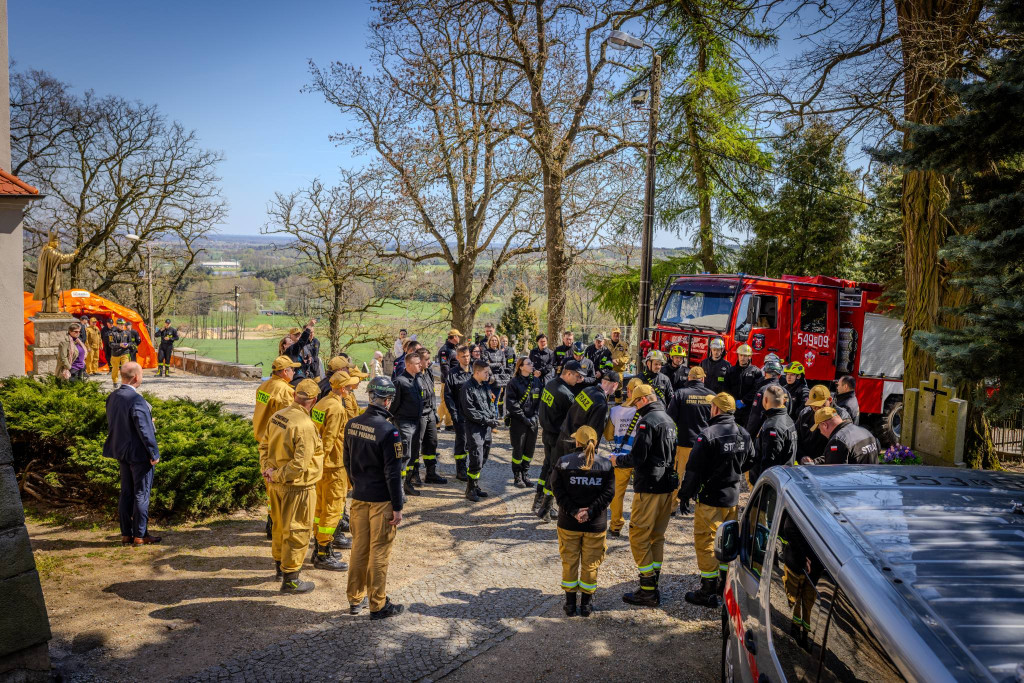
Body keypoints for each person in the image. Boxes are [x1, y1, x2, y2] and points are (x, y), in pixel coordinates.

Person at [678, 392, 754, 608]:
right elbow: (751, 460)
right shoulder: (743, 433)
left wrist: (685, 495)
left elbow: (693, 470)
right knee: (726, 542)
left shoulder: (708, 435)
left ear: (716, 410)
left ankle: (708, 589)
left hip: (710, 498)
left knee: (706, 542)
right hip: (732, 498)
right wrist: (734, 471)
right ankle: (723, 583)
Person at [609, 384, 678, 607]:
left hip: (648, 486)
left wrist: (617, 461)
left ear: (645, 399)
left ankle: (647, 589)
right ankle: (653, 583)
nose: (636, 408)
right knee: (656, 536)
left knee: (638, 535)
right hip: (667, 485)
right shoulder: (667, 420)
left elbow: (638, 457)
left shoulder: (647, 422)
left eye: (637, 403)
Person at [343, 376, 405, 620]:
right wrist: (397, 507)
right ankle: (378, 605)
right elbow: (393, 473)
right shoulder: (389, 431)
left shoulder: (352, 424)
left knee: (359, 549)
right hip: (381, 500)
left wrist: (357, 484)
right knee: (379, 552)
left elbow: (347, 461)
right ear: (388, 401)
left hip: (359, 496)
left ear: (370, 396)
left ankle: (354, 599)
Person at [262, 378, 325, 594]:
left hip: (276, 484)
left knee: (279, 527)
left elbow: (264, 445)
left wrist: (268, 471)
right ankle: (291, 579)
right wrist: (278, 475)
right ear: (314, 400)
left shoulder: (278, 416)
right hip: (297, 487)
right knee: (298, 530)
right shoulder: (305, 425)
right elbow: (299, 465)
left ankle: (280, 568)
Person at [551, 425, 615, 617]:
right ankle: (586, 605)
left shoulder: (563, 462)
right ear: (595, 443)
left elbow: (558, 491)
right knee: (590, 564)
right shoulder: (605, 464)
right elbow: (609, 493)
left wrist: (574, 511)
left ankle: (570, 605)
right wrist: (591, 512)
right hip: (595, 525)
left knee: (569, 561)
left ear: (577, 442)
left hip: (568, 523)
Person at [540, 370, 620, 521]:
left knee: (554, 472)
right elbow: (593, 433)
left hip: (564, 435)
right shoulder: (601, 403)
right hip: (577, 444)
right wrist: (592, 455)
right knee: (570, 478)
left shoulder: (587, 390)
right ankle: (567, 510)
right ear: (615, 385)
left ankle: (545, 507)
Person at [103, 362, 162, 546]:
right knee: (141, 494)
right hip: (138, 453)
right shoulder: (136, 400)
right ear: (136, 377)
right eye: (142, 374)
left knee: (126, 493)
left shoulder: (113, 397)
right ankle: (140, 534)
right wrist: (153, 452)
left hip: (121, 451)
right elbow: (144, 430)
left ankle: (126, 534)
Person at [310, 371, 360, 571]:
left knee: (319, 509)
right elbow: (329, 440)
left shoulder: (321, 404)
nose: (350, 390)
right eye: (348, 387)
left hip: (321, 466)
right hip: (333, 465)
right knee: (333, 508)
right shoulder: (337, 408)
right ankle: (323, 553)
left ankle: (319, 547)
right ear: (342, 389)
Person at [253, 355, 301, 539]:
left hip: (264, 442)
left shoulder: (263, 386)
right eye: (291, 369)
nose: (294, 372)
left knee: (269, 487)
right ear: (283, 372)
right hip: (278, 444)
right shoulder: (285, 391)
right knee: (280, 486)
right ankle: (279, 526)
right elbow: (291, 419)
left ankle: (271, 521)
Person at [666, 366, 715, 515]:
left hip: (684, 442)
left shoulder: (680, 394)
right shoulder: (712, 396)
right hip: (706, 445)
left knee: (678, 476)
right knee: (704, 475)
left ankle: (672, 507)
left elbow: (670, 418)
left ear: (689, 378)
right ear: (703, 379)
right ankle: (703, 507)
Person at [535, 360, 581, 514]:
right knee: (555, 470)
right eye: (577, 376)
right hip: (557, 437)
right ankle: (546, 507)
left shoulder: (550, 384)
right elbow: (574, 418)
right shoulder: (566, 394)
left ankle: (538, 498)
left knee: (547, 466)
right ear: (568, 373)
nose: (579, 380)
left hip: (547, 432)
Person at [607, 378, 644, 537]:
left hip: (620, 457)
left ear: (628, 392)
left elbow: (608, 435)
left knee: (617, 494)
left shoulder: (615, 411)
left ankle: (615, 525)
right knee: (640, 493)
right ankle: (638, 525)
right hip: (639, 457)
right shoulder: (644, 412)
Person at [460, 359, 500, 502]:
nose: (488, 374)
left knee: (484, 457)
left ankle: (475, 485)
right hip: (475, 428)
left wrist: (492, 417)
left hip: (486, 428)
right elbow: (470, 410)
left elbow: (490, 403)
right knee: (476, 458)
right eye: (485, 372)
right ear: (477, 372)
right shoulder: (467, 387)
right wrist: (486, 419)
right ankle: (470, 489)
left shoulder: (484, 386)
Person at [389, 349, 424, 497]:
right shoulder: (399, 382)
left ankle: (407, 483)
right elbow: (394, 404)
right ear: (408, 365)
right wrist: (393, 418)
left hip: (416, 422)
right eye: (417, 363)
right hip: (404, 423)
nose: (420, 366)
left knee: (413, 454)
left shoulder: (417, 379)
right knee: (404, 455)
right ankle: (398, 489)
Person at [506, 356, 543, 488]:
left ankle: (525, 474)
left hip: (532, 421)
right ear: (521, 367)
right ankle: (517, 476)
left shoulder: (537, 382)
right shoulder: (513, 383)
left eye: (531, 363)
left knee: (529, 449)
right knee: (518, 449)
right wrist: (524, 418)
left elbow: (540, 401)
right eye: (529, 363)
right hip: (519, 422)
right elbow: (512, 404)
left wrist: (535, 416)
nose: (532, 365)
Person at [749, 384, 798, 483]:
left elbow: (770, 463)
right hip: (783, 478)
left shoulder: (773, 426)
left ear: (765, 400)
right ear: (783, 401)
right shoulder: (787, 419)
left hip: (771, 484)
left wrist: (762, 485)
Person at [801, 407, 879, 465]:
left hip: (854, 484)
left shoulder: (838, 441)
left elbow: (834, 474)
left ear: (824, 425)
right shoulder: (865, 432)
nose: (820, 432)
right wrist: (814, 462)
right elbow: (838, 456)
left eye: (819, 428)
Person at [415, 348, 448, 486]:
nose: (429, 362)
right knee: (416, 446)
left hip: (430, 414)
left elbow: (432, 394)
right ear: (419, 361)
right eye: (426, 359)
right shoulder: (415, 376)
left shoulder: (428, 372)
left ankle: (431, 473)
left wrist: (434, 411)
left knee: (432, 443)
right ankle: (414, 475)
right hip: (420, 415)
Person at [795, 385, 851, 462]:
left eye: (820, 405)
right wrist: (801, 457)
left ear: (830, 400)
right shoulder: (805, 414)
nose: (816, 409)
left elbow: (843, 446)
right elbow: (795, 439)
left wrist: (817, 462)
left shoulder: (841, 416)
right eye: (813, 406)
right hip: (806, 463)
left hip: (828, 463)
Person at [444, 345, 473, 480]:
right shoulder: (453, 373)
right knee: (461, 441)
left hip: (474, 414)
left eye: (468, 356)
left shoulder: (474, 371)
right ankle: (461, 469)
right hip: (460, 413)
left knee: (474, 442)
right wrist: (453, 414)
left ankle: (473, 467)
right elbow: (448, 396)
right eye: (463, 356)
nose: (466, 359)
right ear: (458, 357)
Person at [746, 357, 791, 438]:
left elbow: (755, 417)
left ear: (765, 374)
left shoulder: (763, 391)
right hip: (782, 431)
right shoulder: (785, 391)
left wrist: (748, 436)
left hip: (764, 434)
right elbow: (789, 412)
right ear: (779, 375)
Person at [726, 344, 762, 427]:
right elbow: (726, 388)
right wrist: (732, 401)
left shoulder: (756, 372)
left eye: (745, 356)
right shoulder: (731, 371)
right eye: (741, 355)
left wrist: (744, 401)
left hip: (748, 409)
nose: (742, 358)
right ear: (738, 355)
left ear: (749, 357)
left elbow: (756, 389)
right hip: (733, 407)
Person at [436, 329, 462, 429]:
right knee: (444, 402)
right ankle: (435, 423)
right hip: (447, 381)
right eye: (458, 336)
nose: (459, 338)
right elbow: (445, 367)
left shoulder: (453, 348)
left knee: (450, 402)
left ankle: (449, 423)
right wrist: (449, 380)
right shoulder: (444, 350)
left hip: (454, 379)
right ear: (454, 337)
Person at [482, 335, 508, 418]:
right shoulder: (486, 352)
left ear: (498, 342)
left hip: (498, 380)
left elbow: (504, 365)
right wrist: (498, 364)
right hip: (489, 379)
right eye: (492, 340)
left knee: (495, 401)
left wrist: (494, 364)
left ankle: (494, 420)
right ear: (489, 342)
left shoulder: (501, 352)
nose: (494, 342)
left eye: (495, 340)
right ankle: (488, 419)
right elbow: (486, 365)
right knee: (488, 400)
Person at [108, 319, 133, 388]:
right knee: (115, 369)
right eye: (121, 325)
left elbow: (131, 342)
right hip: (115, 354)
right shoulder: (112, 333)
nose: (122, 326)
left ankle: (125, 383)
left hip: (124, 353)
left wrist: (128, 345)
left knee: (125, 368)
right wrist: (120, 345)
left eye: (123, 325)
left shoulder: (127, 333)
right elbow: (111, 344)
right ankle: (115, 382)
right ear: (117, 325)